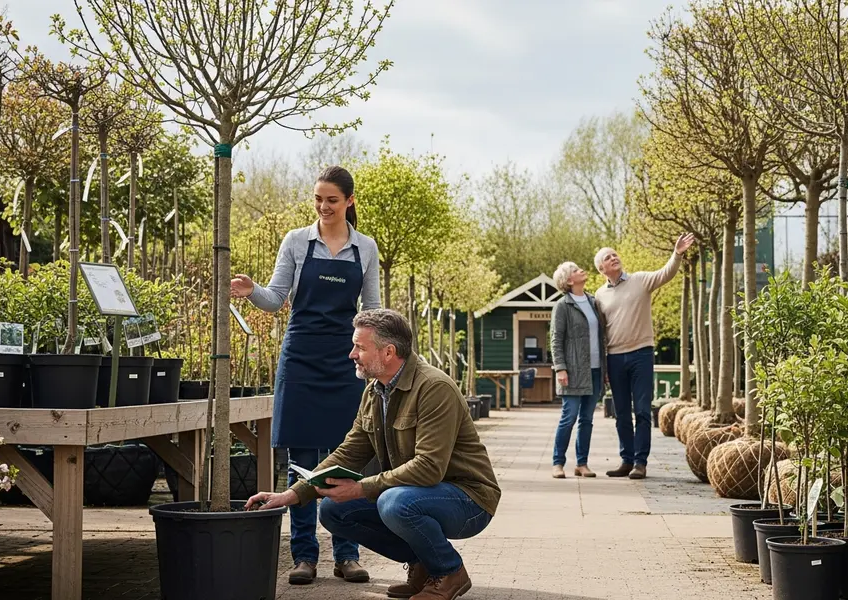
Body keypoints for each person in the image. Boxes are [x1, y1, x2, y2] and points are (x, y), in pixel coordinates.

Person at [247, 309, 500, 600]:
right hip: (419, 493)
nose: (352, 354)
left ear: (388, 352)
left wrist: (361, 488)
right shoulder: (374, 392)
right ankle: (424, 565)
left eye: (360, 347)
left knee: (395, 502)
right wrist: (292, 494)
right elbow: (348, 453)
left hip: (469, 500)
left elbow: (429, 467)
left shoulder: (434, 388)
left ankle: (449, 571)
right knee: (332, 511)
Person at [230, 166, 380, 586]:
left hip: (345, 360)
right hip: (300, 358)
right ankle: (304, 555)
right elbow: (276, 299)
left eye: (331, 200)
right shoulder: (297, 241)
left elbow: (371, 310)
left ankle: (347, 554)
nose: (323, 207)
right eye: (318, 199)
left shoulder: (365, 248)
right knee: (301, 462)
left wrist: (379, 358)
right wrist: (251, 289)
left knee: (346, 459)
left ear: (349, 200)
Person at [593, 233, 695, 479]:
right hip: (615, 358)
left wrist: (677, 253)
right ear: (601, 268)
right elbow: (600, 332)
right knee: (621, 413)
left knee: (641, 410)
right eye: (608, 257)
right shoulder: (599, 295)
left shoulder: (640, 280)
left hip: (641, 354)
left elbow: (665, 273)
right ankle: (626, 460)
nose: (614, 257)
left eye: (614, 254)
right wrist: (603, 364)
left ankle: (640, 462)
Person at [549, 261, 607, 479]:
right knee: (569, 417)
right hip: (572, 371)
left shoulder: (593, 302)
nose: (581, 270)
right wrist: (560, 369)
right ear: (568, 280)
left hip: (595, 370)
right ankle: (558, 462)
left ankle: (582, 464)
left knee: (587, 419)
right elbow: (555, 340)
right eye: (575, 270)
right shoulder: (562, 306)